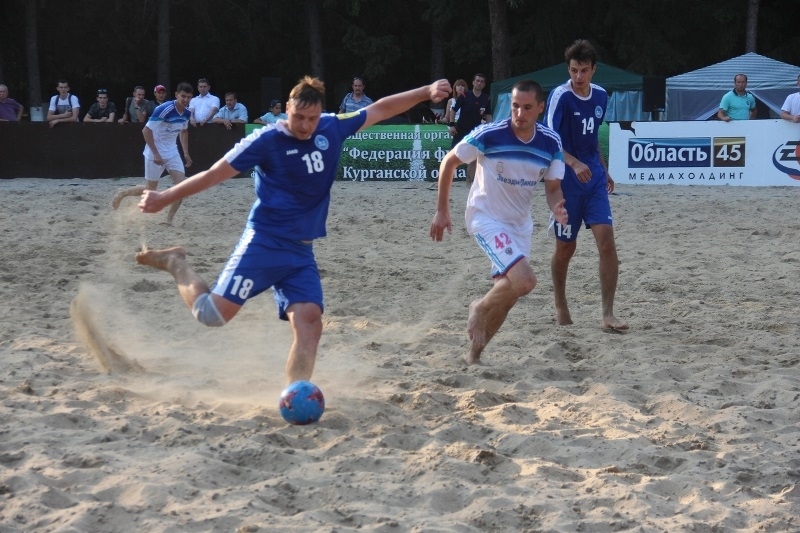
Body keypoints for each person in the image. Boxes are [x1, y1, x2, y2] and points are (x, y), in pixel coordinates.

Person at [134, 75, 451, 385]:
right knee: (211, 315)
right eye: (298, 117)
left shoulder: (332, 126)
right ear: (287, 108)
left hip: (301, 252)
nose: (305, 125)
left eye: (312, 118)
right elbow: (214, 174)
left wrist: (426, 91)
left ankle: (294, 393)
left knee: (310, 322)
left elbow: (380, 109)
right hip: (264, 243)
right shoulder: (266, 140)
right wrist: (164, 196)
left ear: (320, 113)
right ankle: (176, 262)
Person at [430, 80, 567, 365]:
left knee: (509, 294)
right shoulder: (490, 134)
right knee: (525, 281)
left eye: (527, 108)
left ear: (540, 108)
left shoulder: (551, 142)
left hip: (520, 225)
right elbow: (448, 163)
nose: (519, 113)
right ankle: (478, 307)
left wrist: (557, 208)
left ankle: (473, 356)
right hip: (486, 217)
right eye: (515, 106)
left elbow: (553, 188)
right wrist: (442, 210)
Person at [544, 39, 628, 332]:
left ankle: (608, 314)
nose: (578, 76)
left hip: (593, 179)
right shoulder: (560, 96)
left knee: (607, 241)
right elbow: (549, 140)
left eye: (583, 70)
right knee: (566, 247)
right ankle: (560, 303)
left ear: (594, 69)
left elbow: (592, 140)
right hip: (566, 181)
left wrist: (603, 169)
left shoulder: (601, 95)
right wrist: (573, 163)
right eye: (573, 70)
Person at [111, 82, 194, 223]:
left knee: (182, 187)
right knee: (151, 190)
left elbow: (184, 131)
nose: (186, 100)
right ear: (176, 95)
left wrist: (186, 153)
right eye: (183, 96)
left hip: (172, 152)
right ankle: (123, 193)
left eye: (188, 97)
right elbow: (146, 130)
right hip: (154, 151)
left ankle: (168, 221)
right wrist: (156, 153)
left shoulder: (187, 113)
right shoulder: (164, 109)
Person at [449, 73, 492, 183]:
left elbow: (488, 115)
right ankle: (444, 181)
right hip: (461, 130)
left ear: (484, 84)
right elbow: (453, 110)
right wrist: (452, 125)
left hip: (476, 132)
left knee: (474, 158)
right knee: (453, 156)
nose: (479, 83)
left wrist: (490, 130)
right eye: (477, 80)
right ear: (473, 82)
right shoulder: (464, 95)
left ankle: (470, 182)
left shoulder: (486, 98)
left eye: (482, 81)